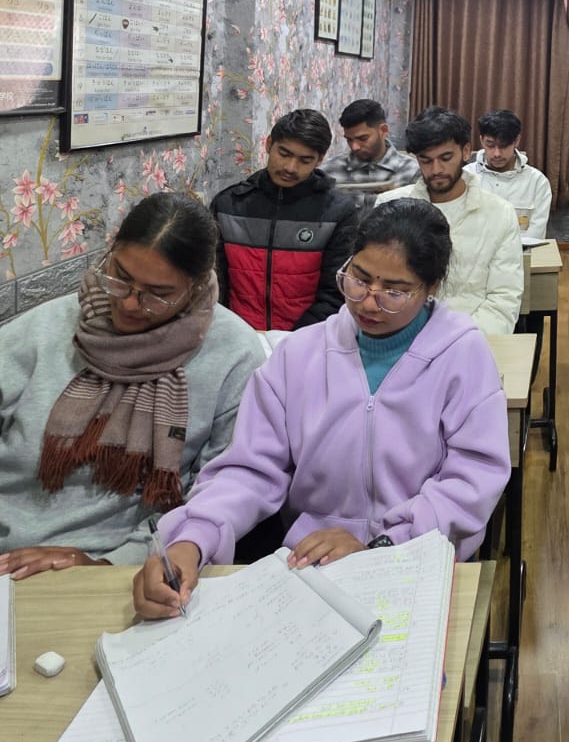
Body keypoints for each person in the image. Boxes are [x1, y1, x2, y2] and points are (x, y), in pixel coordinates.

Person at [132, 199, 511, 617]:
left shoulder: (462, 354)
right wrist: (193, 538)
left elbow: (472, 478)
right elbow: (249, 470)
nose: (368, 303)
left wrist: (384, 544)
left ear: (431, 287)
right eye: (359, 279)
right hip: (310, 568)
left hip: (417, 563)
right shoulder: (299, 356)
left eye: (395, 291)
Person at [0, 194, 262, 578]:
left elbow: (218, 494)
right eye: (120, 277)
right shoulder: (46, 327)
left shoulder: (233, 354)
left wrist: (108, 565)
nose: (130, 305)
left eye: (158, 294)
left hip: (130, 569)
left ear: (195, 286)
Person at [377, 107, 523, 335]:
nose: (436, 169)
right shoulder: (390, 206)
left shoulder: (499, 213)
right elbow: (375, 286)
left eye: (446, 158)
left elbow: (503, 300)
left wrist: (458, 340)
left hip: (472, 339)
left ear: (466, 151)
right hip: (401, 336)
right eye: (426, 160)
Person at [210, 108, 357, 333]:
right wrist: (236, 334)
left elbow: (336, 292)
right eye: (284, 153)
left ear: (319, 159)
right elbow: (214, 284)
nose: (290, 167)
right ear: (269, 144)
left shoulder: (337, 212)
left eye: (305, 160)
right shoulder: (229, 205)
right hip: (238, 335)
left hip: (308, 338)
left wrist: (292, 340)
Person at [466, 109, 552, 242]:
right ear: (481, 140)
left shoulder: (537, 181)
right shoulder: (466, 177)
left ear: (516, 141)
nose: (497, 154)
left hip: (520, 252)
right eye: (490, 145)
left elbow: (535, 234)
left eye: (504, 146)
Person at [323, 98, 418, 193]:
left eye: (363, 138)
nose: (354, 147)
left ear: (383, 130)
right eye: (349, 140)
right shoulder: (328, 172)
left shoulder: (413, 171)